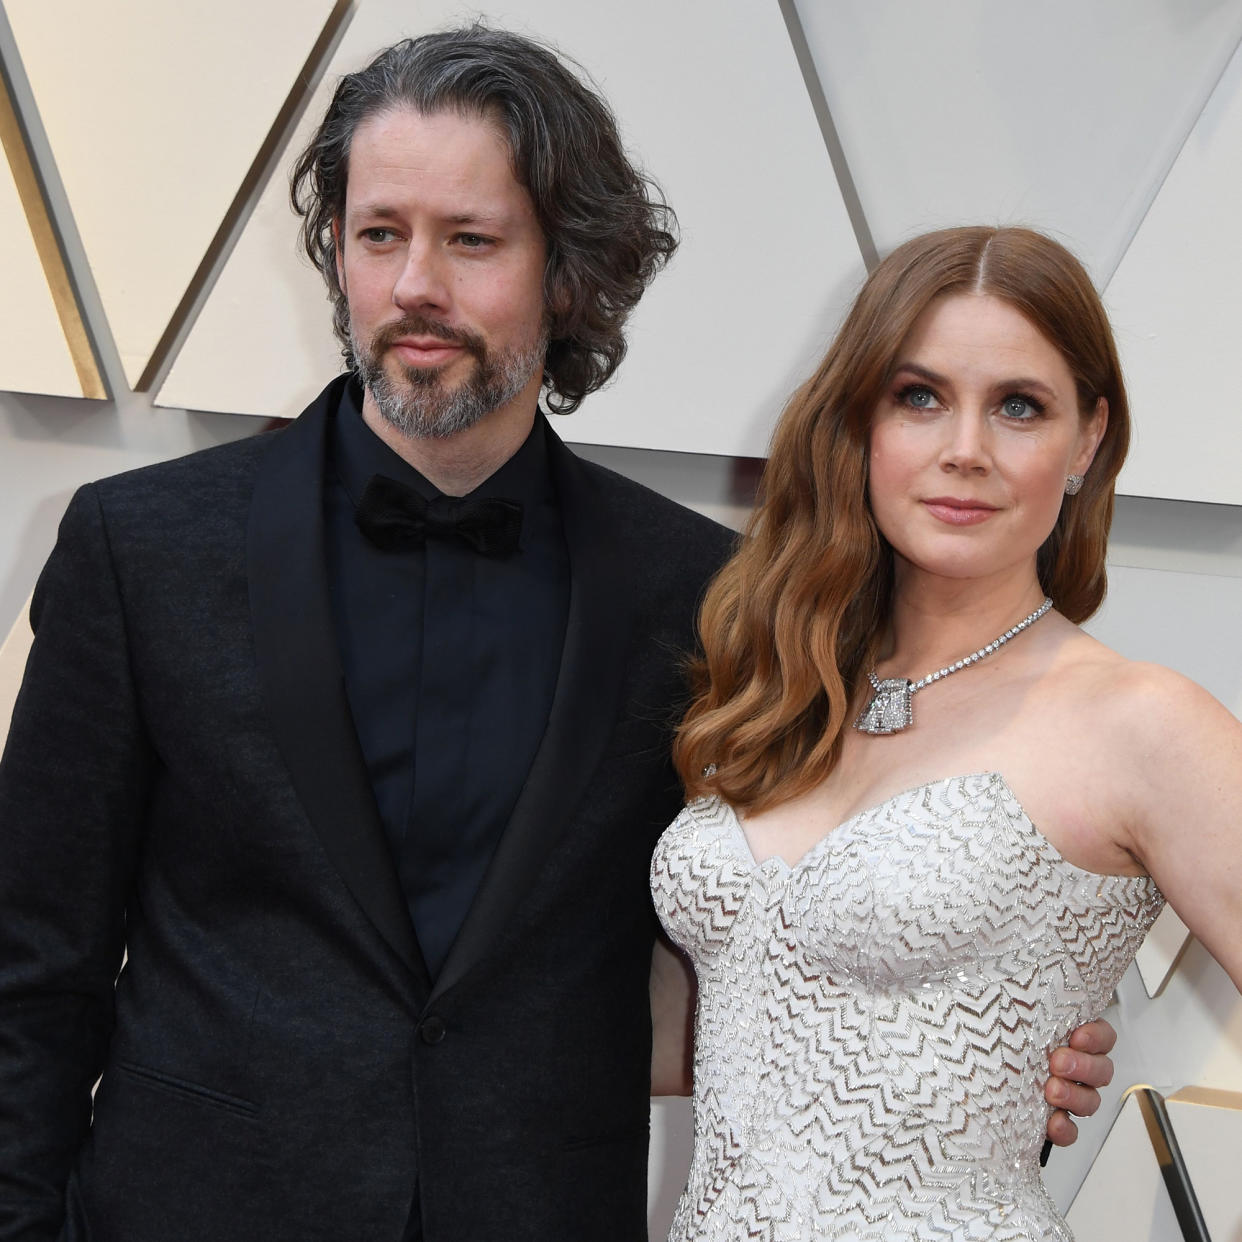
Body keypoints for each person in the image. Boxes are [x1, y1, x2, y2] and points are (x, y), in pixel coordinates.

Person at [0, 28, 1112, 1241]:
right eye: (379, 234)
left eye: (471, 240)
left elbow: (788, 927)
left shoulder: (709, 595)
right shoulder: (139, 548)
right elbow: (31, 968)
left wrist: (977, 1040)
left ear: (569, 271)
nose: (415, 284)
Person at [650, 224, 1242, 1240]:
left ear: (1088, 440)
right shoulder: (775, 691)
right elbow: (712, 1030)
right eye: (918, 396)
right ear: (862, 421)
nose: (964, 450)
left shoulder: (1138, 723)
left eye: (1019, 406)